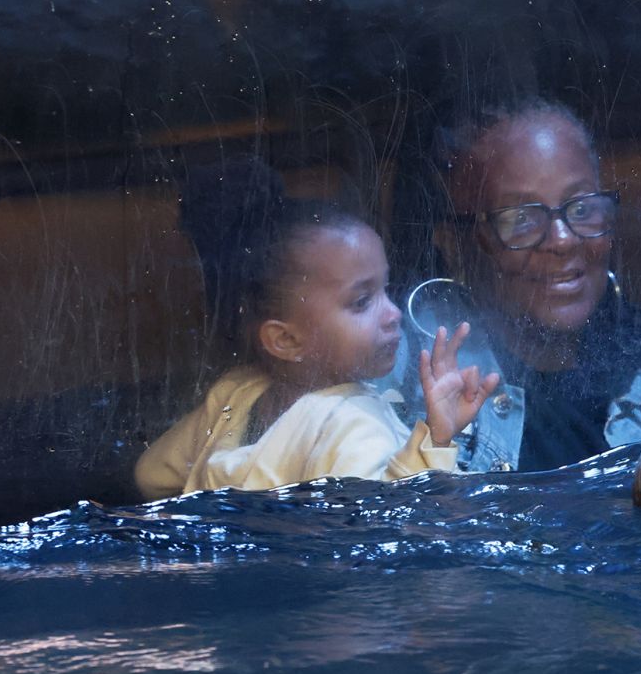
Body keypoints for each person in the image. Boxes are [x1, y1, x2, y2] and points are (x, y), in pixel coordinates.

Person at [390, 99, 641, 472]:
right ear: (455, 244)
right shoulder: (400, 373)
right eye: (521, 219)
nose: (563, 240)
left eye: (581, 209)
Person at [134, 198, 498, 500]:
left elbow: (151, 475)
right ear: (285, 340)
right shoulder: (354, 421)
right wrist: (436, 440)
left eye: (386, 290)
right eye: (362, 302)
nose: (394, 314)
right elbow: (389, 521)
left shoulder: (234, 395)